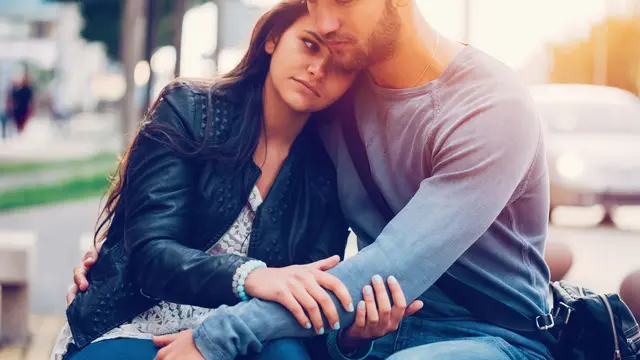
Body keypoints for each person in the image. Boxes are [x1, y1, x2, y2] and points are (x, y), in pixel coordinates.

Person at [102, 0, 551, 359]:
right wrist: (117, 255)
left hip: (492, 336)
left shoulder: (490, 106)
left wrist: (218, 337)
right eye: (315, 1)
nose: (327, 21)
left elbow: (391, 262)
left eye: (343, 0)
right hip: (371, 334)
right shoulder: (337, 99)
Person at [55, 2, 421, 360]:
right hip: (135, 321)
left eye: (340, 65)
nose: (318, 68)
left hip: (246, 334)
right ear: (273, 39)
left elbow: (309, 306)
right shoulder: (190, 110)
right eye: (309, 45)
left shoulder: (330, 170)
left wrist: (352, 339)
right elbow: (150, 256)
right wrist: (252, 277)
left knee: (287, 353)